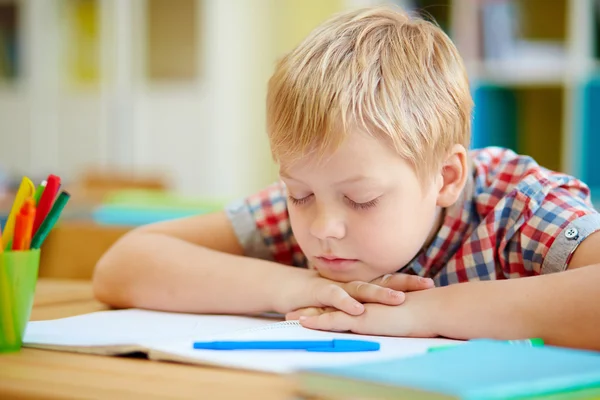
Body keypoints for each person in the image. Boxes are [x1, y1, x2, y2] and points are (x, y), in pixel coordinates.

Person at [93, 5, 600, 350]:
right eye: (299, 194)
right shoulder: (321, 198)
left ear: (446, 176)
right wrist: (293, 287)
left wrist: (420, 314)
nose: (322, 227)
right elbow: (123, 265)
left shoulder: (520, 207)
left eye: (361, 200)